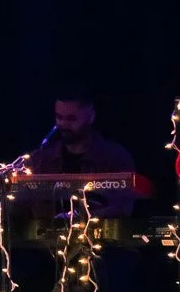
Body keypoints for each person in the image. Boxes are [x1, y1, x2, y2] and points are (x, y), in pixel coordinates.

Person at [23, 89, 138, 219]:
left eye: (72, 118)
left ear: (90, 117)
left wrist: (80, 218)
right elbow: (17, 206)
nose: (63, 124)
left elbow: (121, 208)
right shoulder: (40, 159)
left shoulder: (115, 157)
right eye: (59, 117)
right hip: (45, 233)